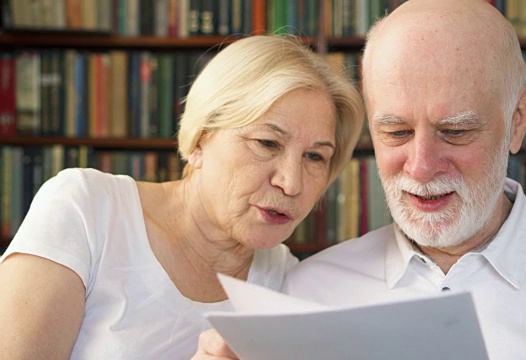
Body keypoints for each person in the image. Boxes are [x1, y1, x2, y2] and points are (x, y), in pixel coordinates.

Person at [192, 0, 526, 359]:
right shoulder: (304, 293)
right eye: (396, 132)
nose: (421, 167)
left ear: (517, 120)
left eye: (456, 131)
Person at [0, 35, 364, 359]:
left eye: (315, 156)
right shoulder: (86, 209)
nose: (291, 183)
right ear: (200, 140)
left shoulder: (291, 285)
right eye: (267, 143)